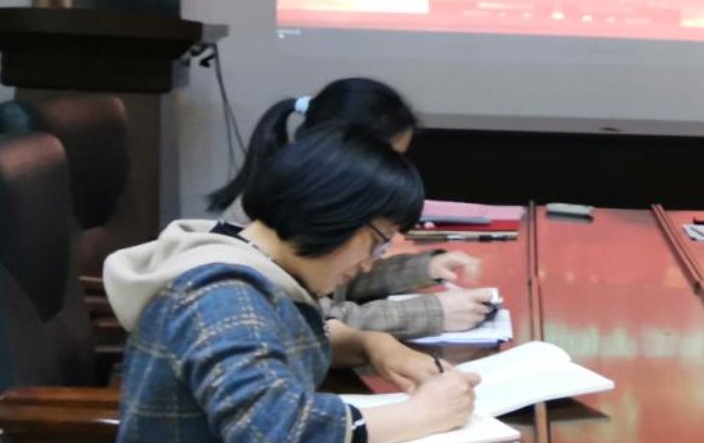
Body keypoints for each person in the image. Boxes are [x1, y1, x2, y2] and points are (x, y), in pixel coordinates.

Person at [97, 124, 478, 443]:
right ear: (333, 211)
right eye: (377, 240)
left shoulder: (249, 260)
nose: (371, 263)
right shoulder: (222, 294)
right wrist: (422, 415)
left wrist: (373, 344)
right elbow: (275, 435)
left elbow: (287, 337)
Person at [210, 78, 495, 339]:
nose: (389, 173)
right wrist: (432, 313)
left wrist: (422, 268)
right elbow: (314, 322)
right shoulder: (243, 274)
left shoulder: (297, 204)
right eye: (384, 158)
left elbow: (336, 280)